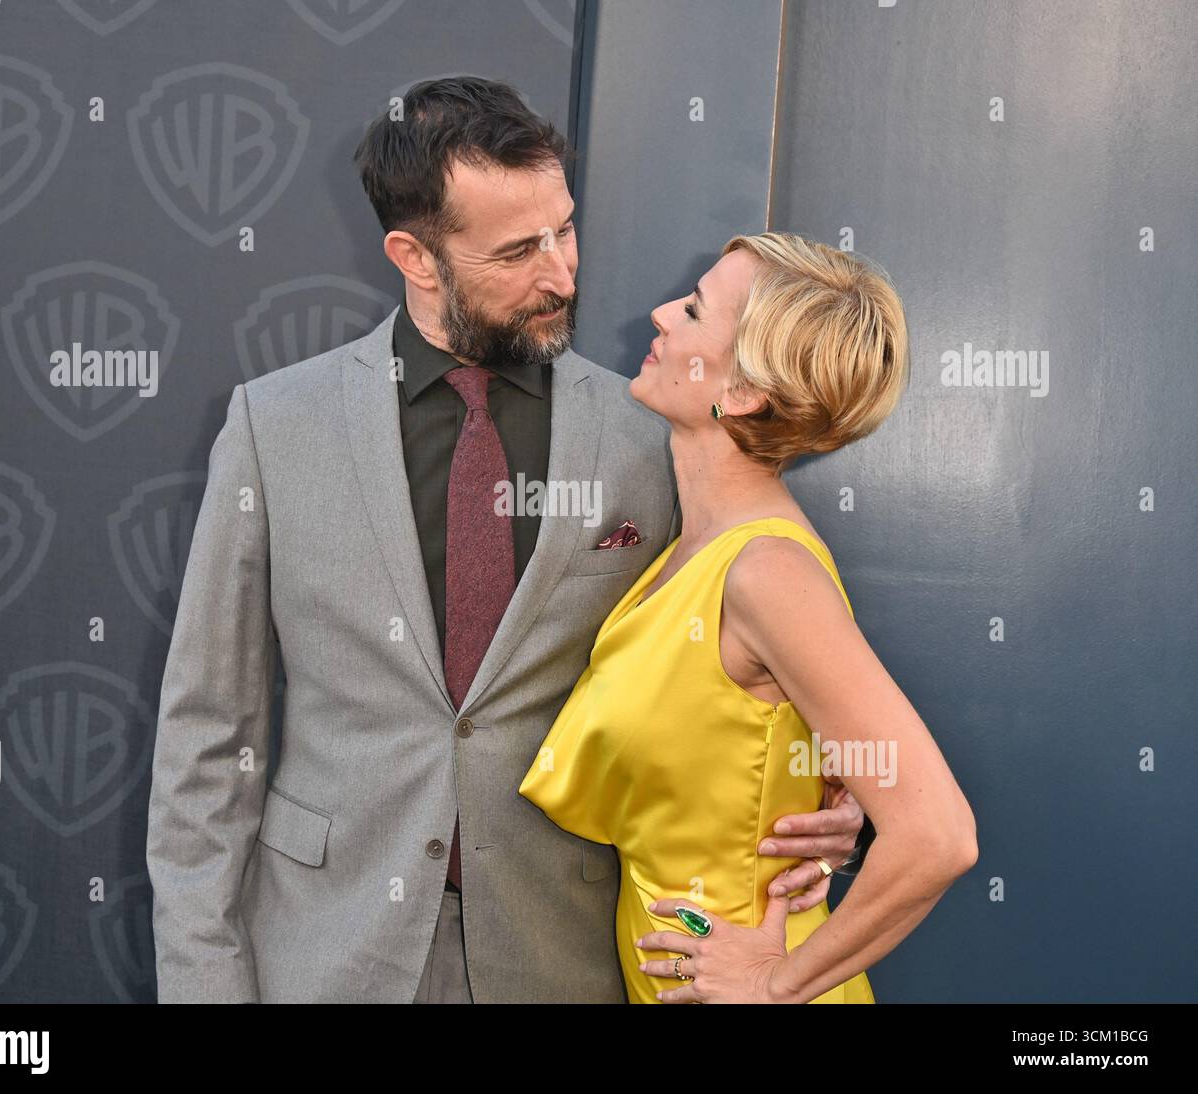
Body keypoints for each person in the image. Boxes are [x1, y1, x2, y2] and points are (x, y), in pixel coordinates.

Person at [145, 77, 870, 1004]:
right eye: (520, 248)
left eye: (565, 229)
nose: (563, 272)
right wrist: (204, 987)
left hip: (567, 955)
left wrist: (829, 790)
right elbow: (209, 736)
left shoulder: (656, 435)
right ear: (414, 253)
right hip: (325, 956)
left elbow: (757, 657)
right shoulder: (274, 428)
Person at [519, 232, 979, 1003]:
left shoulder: (768, 573)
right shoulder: (698, 547)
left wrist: (776, 985)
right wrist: (830, 794)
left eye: (694, 309)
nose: (661, 314)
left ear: (740, 394)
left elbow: (939, 835)